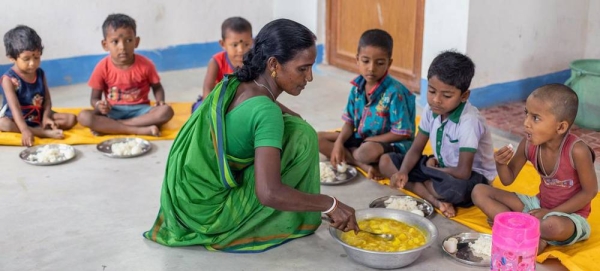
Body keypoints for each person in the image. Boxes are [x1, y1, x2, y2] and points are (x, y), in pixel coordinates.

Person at [144, 19, 358, 252]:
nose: (309, 78)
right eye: (303, 68)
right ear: (274, 64)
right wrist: (329, 204)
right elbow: (268, 193)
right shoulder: (266, 113)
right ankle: (292, 219)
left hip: (186, 196)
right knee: (302, 136)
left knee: (297, 127)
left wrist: (288, 112)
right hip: (206, 213)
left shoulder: (239, 80)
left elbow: (266, 107)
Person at [472, 84, 597, 254]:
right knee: (479, 191)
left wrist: (551, 212)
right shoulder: (528, 144)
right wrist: (500, 163)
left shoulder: (578, 151)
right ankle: (530, 233)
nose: (526, 123)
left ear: (560, 127)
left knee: (553, 226)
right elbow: (507, 180)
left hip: (570, 215)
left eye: (536, 118)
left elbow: (589, 192)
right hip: (537, 205)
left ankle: (517, 227)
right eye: (526, 114)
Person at [380, 51, 496, 218]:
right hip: (439, 167)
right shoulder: (432, 110)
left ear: (464, 96)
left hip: (472, 177)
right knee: (385, 162)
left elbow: (463, 172)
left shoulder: (469, 121)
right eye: (432, 91)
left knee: (451, 189)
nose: (436, 100)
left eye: (446, 95)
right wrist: (404, 171)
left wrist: (431, 168)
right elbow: (415, 149)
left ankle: (426, 188)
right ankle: (432, 198)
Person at [317, 29, 415, 180]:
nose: (371, 68)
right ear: (357, 59)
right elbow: (349, 123)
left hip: (391, 144)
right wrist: (338, 143)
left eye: (380, 63)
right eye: (365, 61)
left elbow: (401, 133)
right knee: (316, 138)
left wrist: (372, 141)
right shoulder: (356, 89)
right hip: (363, 137)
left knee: (364, 152)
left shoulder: (395, 92)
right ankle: (362, 164)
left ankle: (356, 157)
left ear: (389, 63)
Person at [78, 13, 174, 136]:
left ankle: (113, 126)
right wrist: (99, 105)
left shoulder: (146, 64)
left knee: (166, 111)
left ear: (136, 42)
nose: (122, 47)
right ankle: (139, 129)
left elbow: (157, 87)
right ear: (105, 45)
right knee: (83, 117)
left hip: (141, 111)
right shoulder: (102, 67)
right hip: (112, 111)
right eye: (115, 41)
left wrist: (160, 101)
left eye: (128, 40)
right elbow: (94, 98)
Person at [0, 25, 77, 146]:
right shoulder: (8, 79)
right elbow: (14, 109)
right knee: (3, 124)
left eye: (37, 57)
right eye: (26, 59)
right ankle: (43, 133)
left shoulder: (40, 73)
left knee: (71, 119)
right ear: (11, 58)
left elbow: (47, 100)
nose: (33, 63)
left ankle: (40, 127)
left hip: (38, 116)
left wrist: (46, 117)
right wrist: (24, 130)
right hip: (17, 119)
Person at [192, 17, 253, 112]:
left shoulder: (253, 62)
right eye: (234, 45)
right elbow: (207, 88)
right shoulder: (216, 62)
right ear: (223, 44)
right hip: (217, 102)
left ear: (252, 41)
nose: (241, 50)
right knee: (199, 110)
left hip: (242, 102)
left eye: (246, 44)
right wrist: (211, 110)